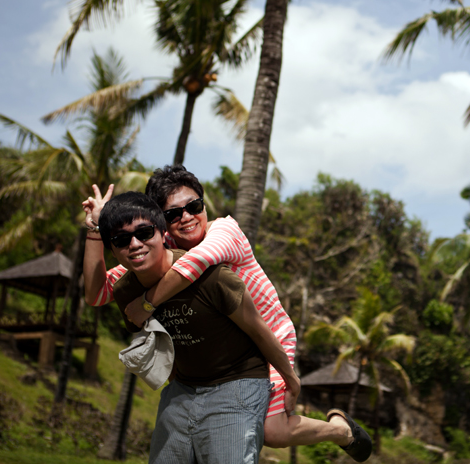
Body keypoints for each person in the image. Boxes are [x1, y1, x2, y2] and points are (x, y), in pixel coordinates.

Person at [82, 166, 371, 461]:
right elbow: (101, 291)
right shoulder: (159, 244)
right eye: (173, 214)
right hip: (222, 348)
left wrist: (145, 304)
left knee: (273, 432)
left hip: (268, 334)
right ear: (161, 222)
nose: (187, 217)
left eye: (194, 206)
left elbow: (195, 264)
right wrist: (97, 228)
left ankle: (340, 430)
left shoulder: (224, 231)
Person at [94, 191, 298, 464]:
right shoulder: (127, 289)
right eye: (121, 240)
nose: (134, 244)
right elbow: (95, 293)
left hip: (237, 382)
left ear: (161, 233)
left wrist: (291, 379)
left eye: (144, 233)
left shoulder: (213, 273)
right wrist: (92, 229)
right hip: (183, 389)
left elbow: (258, 330)